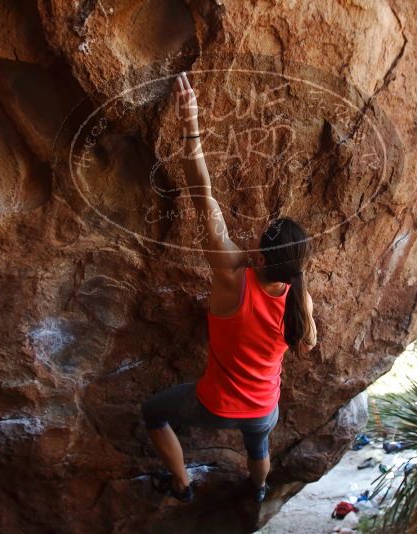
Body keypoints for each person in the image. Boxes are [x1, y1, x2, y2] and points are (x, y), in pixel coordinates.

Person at [141, 72, 317, 504]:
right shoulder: (301, 298)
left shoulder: (231, 275)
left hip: (214, 404)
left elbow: (204, 196)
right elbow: (308, 343)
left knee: (153, 412)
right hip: (263, 408)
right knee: (259, 446)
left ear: (261, 250)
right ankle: (258, 488)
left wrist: (192, 129)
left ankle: (182, 484)